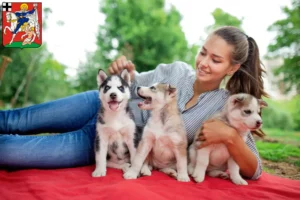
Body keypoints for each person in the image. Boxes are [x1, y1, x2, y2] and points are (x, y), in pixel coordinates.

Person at [0, 26, 268, 180]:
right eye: (203, 52)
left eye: (216, 60)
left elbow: (254, 169)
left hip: (109, 145)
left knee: (12, 151)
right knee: (17, 120)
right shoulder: (174, 70)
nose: (204, 63)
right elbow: (132, 82)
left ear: (232, 68)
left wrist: (231, 137)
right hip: (99, 105)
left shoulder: (226, 106)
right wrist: (123, 68)